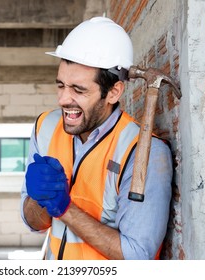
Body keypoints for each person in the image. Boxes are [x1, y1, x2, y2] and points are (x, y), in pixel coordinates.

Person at [20, 17, 173, 260]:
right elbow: (32, 223)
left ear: (113, 92)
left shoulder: (142, 151)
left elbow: (137, 256)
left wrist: (65, 207)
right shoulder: (45, 127)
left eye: (78, 90)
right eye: (61, 85)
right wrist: (38, 200)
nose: (63, 99)